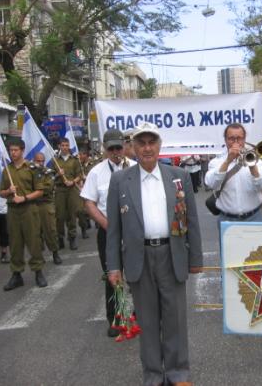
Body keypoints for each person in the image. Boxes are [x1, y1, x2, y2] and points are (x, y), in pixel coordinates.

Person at [106, 122, 202, 386]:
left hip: (172, 255)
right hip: (139, 258)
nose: (147, 148)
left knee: (175, 319)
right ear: (132, 147)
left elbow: (191, 220)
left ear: (159, 145)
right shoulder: (120, 180)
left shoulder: (178, 176)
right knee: (147, 321)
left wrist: (196, 259)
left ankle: (178, 373)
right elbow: (113, 229)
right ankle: (153, 375)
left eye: (151, 142)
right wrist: (113, 267)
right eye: (141, 143)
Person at [81, 129, 134, 337]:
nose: (115, 152)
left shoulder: (136, 168)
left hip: (133, 233)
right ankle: (116, 318)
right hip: (108, 232)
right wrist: (109, 226)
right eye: (110, 148)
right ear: (104, 148)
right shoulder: (96, 172)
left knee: (139, 274)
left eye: (118, 147)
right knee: (112, 275)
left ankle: (140, 314)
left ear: (124, 146)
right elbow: (89, 203)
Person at [0, 139, 47, 291]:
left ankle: (38, 271)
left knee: (33, 241)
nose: (13, 153)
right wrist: (8, 191)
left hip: (28, 209)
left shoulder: (32, 168)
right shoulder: (7, 170)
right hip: (13, 211)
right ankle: (16, 274)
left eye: (16, 150)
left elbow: (40, 191)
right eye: (11, 150)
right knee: (15, 243)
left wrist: (24, 198)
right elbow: (1, 192)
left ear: (22, 150)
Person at [205, 123, 262, 224]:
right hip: (227, 219)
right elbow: (212, 184)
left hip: (254, 217)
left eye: (239, 138)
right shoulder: (216, 162)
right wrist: (227, 161)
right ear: (225, 140)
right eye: (231, 138)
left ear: (244, 139)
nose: (236, 142)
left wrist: (253, 167)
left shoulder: (255, 159)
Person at [33, 152, 62, 265]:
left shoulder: (48, 173)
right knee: (35, 232)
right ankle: (39, 255)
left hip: (46, 204)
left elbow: (48, 188)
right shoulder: (30, 172)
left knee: (50, 230)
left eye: (42, 161)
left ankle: (55, 253)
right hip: (33, 204)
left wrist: (34, 190)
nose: (40, 163)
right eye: (38, 161)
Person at [55, 137, 81, 250]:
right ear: (59, 146)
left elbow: (80, 175)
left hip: (71, 190)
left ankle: (72, 238)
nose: (65, 147)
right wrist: (57, 174)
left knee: (72, 214)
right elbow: (49, 176)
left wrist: (73, 181)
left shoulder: (74, 160)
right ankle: (60, 237)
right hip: (60, 190)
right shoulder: (55, 160)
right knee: (60, 216)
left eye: (67, 145)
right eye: (63, 145)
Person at [77, 147, 95, 239]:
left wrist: (86, 177)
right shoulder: (78, 165)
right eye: (79, 154)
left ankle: (97, 221)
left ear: (86, 155)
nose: (79, 156)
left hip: (92, 189)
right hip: (81, 189)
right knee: (81, 210)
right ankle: (84, 227)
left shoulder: (93, 164)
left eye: (81, 154)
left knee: (94, 207)